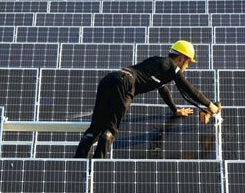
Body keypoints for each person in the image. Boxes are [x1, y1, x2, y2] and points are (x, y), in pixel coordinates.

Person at [74, 40, 221, 159]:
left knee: (95, 127)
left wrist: (175, 109)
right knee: (110, 130)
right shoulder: (172, 67)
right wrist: (210, 105)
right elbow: (188, 88)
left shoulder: (158, 62)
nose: (187, 67)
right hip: (125, 83)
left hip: (109, 79)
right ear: (181, 58)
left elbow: (162, 88)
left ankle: (77, 163)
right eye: (188, 63)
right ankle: (98, 166)